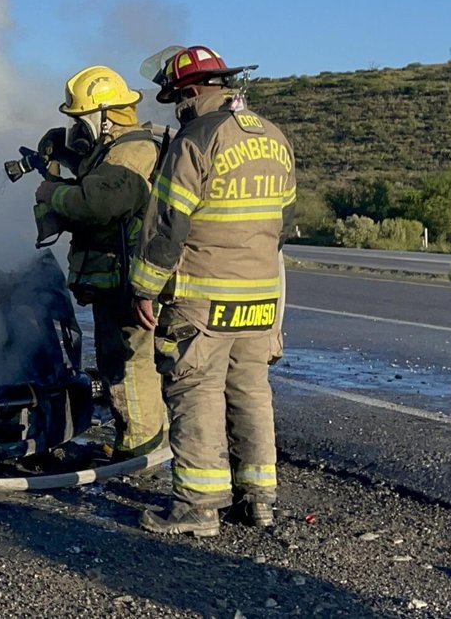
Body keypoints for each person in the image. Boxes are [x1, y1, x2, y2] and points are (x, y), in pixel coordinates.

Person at [129, 45, 295, 537]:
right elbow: (283, 222)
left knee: (195, 388)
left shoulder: (196, 139)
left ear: (192, 92)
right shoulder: (274, 136)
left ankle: (198, 507)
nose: (177, 110)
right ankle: (258, 500)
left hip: (202, 296)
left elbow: (167, 224)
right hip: (260, 296)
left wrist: (144, 288)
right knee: (251, 390)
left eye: (177, 99)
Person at [32, 65, 168, 462]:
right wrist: (60, 150)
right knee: (119, 359)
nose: (77, 128)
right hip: (118, 277)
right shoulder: (114, 148)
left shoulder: (131, 151)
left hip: (129, 278)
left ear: (103, 116)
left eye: (80, 120)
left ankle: (138, 451)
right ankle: (142, 440)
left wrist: (52, 193)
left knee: (128, 363)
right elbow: (95, 175)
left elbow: (99, 203)